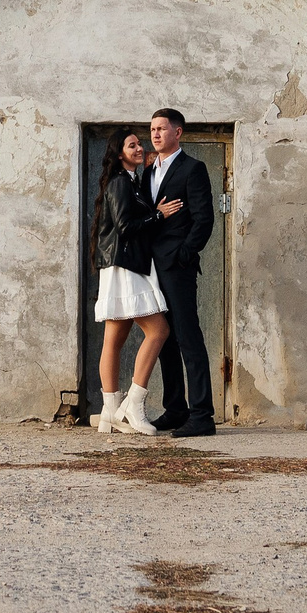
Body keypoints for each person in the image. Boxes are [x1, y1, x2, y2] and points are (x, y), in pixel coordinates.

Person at [90, 128, 182, 434]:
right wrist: (158, 215)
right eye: (133, 145)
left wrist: (145, 172)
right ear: (119, 154)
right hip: (126, 266)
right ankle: (133, 405)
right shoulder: (119, 183)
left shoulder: (128, 181)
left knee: (113, 340)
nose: (140, 147)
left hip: (121, 264)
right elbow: (126, 226)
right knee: (159, 330)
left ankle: (109, 412)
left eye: (140, 144)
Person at [141, 107, 216, 437]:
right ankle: (175, 409)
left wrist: (184, 254)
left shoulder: (193, 169)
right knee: (164, 339)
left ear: (178, 132)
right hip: (151, 269)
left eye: (161, 128)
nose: (155, 134)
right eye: (152, 129)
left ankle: (202, 415)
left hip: (177, 267)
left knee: (188, 337)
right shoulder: (148, 173)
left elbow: (204, 219)